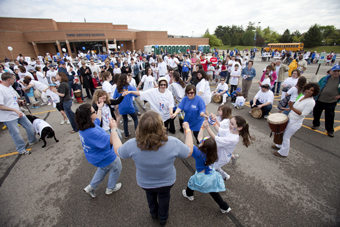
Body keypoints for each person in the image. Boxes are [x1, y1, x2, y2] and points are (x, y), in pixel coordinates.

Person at [113, 111, 193, 226]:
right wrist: (188, 130)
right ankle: (163, 218)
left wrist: (113, 130)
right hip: (167, 181)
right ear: (161, 126)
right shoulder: (173, 143)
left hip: (145, 182)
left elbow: (118, 151)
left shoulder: (133, 144)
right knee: (164, 198)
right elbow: (189, 151)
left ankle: (153, 214)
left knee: (150, 196)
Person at [75, 103, 122, 198]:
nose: (95, 111)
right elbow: (112, 142)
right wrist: (113, 129)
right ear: (88, 116)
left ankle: (91, 187)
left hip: (94, 156)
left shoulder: (84, 126)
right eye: (94, 111)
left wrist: (100, 108)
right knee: (117, 168)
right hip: (105, 156)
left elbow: (97, 120)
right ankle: (110, 188)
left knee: (104, 168)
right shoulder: (95, 133)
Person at [182, 135, 230, 214]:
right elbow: (200, 139)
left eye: (202, 143)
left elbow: (189, 144)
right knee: (214, 192)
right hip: (211, 174)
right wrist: (203, 127)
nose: (200, 143)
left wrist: (187, 130)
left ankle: (189, 194)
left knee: (191, 183)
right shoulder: (213, 153)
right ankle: (225, 207)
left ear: (204, 147)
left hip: (201, 176)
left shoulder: (199, 154)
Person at [273, 83, 319, 157]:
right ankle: (279, 145)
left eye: (312, 90)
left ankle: (283, 152)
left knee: (286, 137)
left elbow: (303, 114)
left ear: (314, 92)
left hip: (296, 122)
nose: (309, 91)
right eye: (308, 88)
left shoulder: (311, 102)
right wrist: (288, 108)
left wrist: (292, 108)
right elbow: (295, 106)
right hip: (290, 118)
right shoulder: (302, 96)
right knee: (282, 132)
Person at [202, 115, 253, 180]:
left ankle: (209, 181)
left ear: (240, 128)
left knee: (211, 168)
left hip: (222, 157)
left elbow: (215, 138)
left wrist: (207, 127)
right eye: (230, 122)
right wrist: (213, 122)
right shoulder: (231, 131)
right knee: (215, 166)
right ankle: (225, 176)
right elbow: (220, 130)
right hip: (220, 153)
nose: (229, 125)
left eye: (232, 124)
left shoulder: (233, 139)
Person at [0, 72, 37, 155]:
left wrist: (18, 101)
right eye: (13, 79)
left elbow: (11, 99)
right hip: (9, 117)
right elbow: (0, 106)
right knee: (15, 133)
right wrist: (14, 110)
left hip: (18, 112)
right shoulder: (1, 89)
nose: (15, 81)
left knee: (29, 126)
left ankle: (32, 140)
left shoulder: (9, 87)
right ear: (8, 79)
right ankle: (21, 149)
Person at [311, 65, 340, 137]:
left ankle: (330, 130)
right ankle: (315, 124)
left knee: (330, 116)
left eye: (338, 71)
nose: (336, 73)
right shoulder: (325, 78)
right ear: (330, 71)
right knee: (316, 112)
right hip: (320, 99)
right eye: (334, 71)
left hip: (331, 101)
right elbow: (317, 86)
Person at [113, 74, 139, 139]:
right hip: (129, 107)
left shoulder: (118, 88)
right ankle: (137, 134)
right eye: (127, 78)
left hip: (122, 107)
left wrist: (115, 105)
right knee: (135, 119)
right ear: (125, 80)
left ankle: (126, 134)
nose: (129, 79)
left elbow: (114, 98)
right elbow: (136, 95)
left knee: (125, 120)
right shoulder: (129, 87)